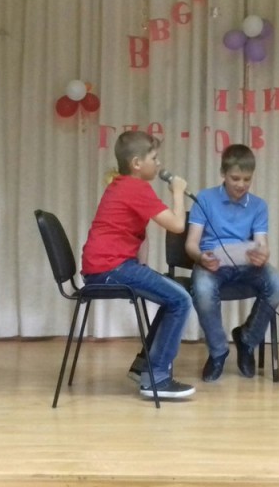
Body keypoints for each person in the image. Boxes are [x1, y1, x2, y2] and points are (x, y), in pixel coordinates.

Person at [81, 131, 196, 399]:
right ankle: (157, 378)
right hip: (111, 268)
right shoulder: (136, 188)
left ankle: (142, 367)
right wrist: (178, 192)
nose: (158, 163)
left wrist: (144, 269)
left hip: (103, 268)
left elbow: (133, 234)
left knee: (173, 294)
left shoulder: (121, 185)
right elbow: (178, 225)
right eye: (154, 158)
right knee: (181, 299)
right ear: (136, 163)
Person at [185, 144, 279, 381]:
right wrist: (201, 257)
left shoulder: (259, 205)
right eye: (235, 178)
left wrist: (263, 254)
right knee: (202, 289)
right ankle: (218, 351)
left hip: (245, 264)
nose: (241, 185)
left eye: (247, 179)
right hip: (212, 264)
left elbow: (262, 243)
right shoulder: (204, 198)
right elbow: (191, 244)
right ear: (223, 173)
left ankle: (247, 340)